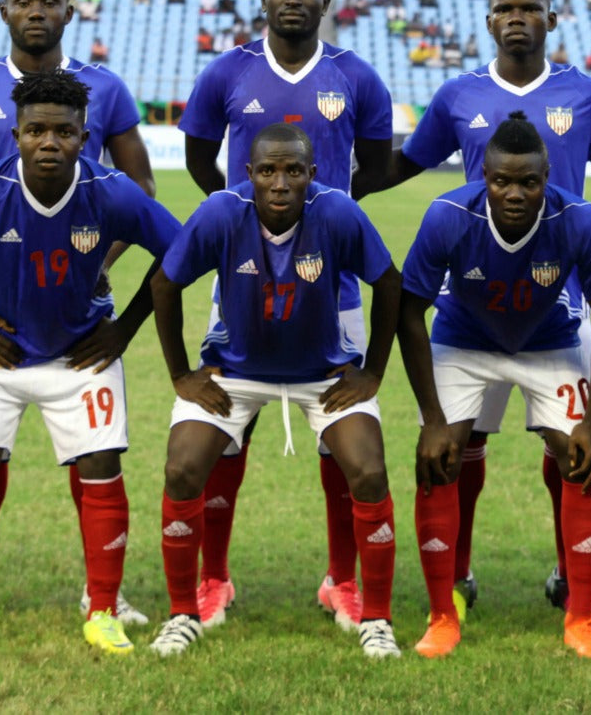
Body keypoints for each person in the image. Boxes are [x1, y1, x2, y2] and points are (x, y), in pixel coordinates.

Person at [368, 0, 591, 619]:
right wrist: (337, 192)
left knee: (568, 446)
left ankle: (570, 574)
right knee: (463, 445)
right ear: (488, 21)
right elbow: (409, 162)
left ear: (552, 17)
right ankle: (456, 572)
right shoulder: (458, 94)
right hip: (474, 299)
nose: (517, 17)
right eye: (506, 8)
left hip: (558, 299)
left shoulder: (585, 95)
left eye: (530, 8)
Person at [0, 71, 181, 653]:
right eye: (35, 130)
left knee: (102, 465)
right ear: (16, 134)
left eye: (63, 131)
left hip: (81, 354)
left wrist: (123, 330)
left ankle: (101, 607)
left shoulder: (112, 190)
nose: (48, 142)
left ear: (84, 136)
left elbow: (179, 253)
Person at [175, 0, 393, 630]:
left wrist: (329, 224)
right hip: (242, 282)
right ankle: (212, 579)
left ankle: (342, 579)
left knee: (342, 436)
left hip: (336, 291)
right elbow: (196, 155)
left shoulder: (356, 77)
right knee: (223, 433)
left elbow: (377, 165)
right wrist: (236, 225)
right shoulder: (228, 72)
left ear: (327, 1)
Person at [147, 123, 402, 659]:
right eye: (267, 171)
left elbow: (390, 282)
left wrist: (372, 371)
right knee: (182, 468)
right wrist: (181, 375)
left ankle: (377, 619)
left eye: (292, 171)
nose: (280, 183)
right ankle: (181, 614)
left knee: (370, 472)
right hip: (234, 371)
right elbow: (164, 284)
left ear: (314, 174)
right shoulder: (220, 212)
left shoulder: (336, 212)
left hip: (322, 372)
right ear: (249, 175)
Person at [402, 114, 591, 659]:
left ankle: (580, 619)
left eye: (529, 181)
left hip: (550, 341)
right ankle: (441, 616)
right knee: (439, 459)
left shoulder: (580, 220)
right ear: (484, 173)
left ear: (548, 176)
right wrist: (432, 420)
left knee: (580, 460)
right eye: (502, 180)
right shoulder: (448, 215)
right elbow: (408, 313)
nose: (515, 192)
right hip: (463, 341)